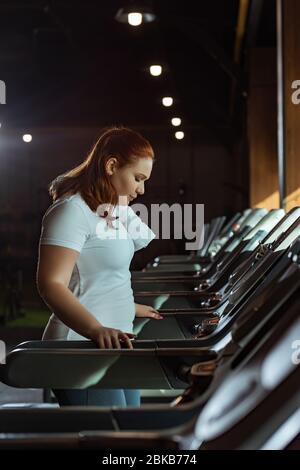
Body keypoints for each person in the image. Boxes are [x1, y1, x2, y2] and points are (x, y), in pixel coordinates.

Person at [36, 126, 163, 407]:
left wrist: (128, 307)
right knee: (111, 440)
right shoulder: (71, 211)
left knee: (130, 437)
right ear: (111, 165)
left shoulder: (112, 212)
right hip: (80, 345)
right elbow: (51, 284)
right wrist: (96, 329)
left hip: (115, 341)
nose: (141, 189)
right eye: (138, 178)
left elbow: (103, 277)